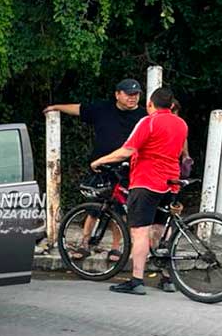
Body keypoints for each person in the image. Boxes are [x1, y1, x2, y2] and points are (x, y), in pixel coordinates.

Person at [90, 87, 188, 295]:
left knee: (140, 231)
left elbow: (127, 150)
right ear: (171, 105)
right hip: (172, 181)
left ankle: (136, 280)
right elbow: (178, 151)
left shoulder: (148, 122)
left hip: (147, 181)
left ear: (150, 104)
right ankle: (168, 278)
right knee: (161, 229)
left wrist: (101, 160)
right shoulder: (181, 124)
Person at [44, 79, 147, 262]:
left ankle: (116, 247)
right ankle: (85, 243)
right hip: (101, 166)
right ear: (117, 94)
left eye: (136, 94)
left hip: (128, 168)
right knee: (94, 206)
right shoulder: (103, 109)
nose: (133, 98)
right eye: (129, 94)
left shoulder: (143, 115)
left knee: (118, 209)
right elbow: (79, 109)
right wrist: (56, 107)